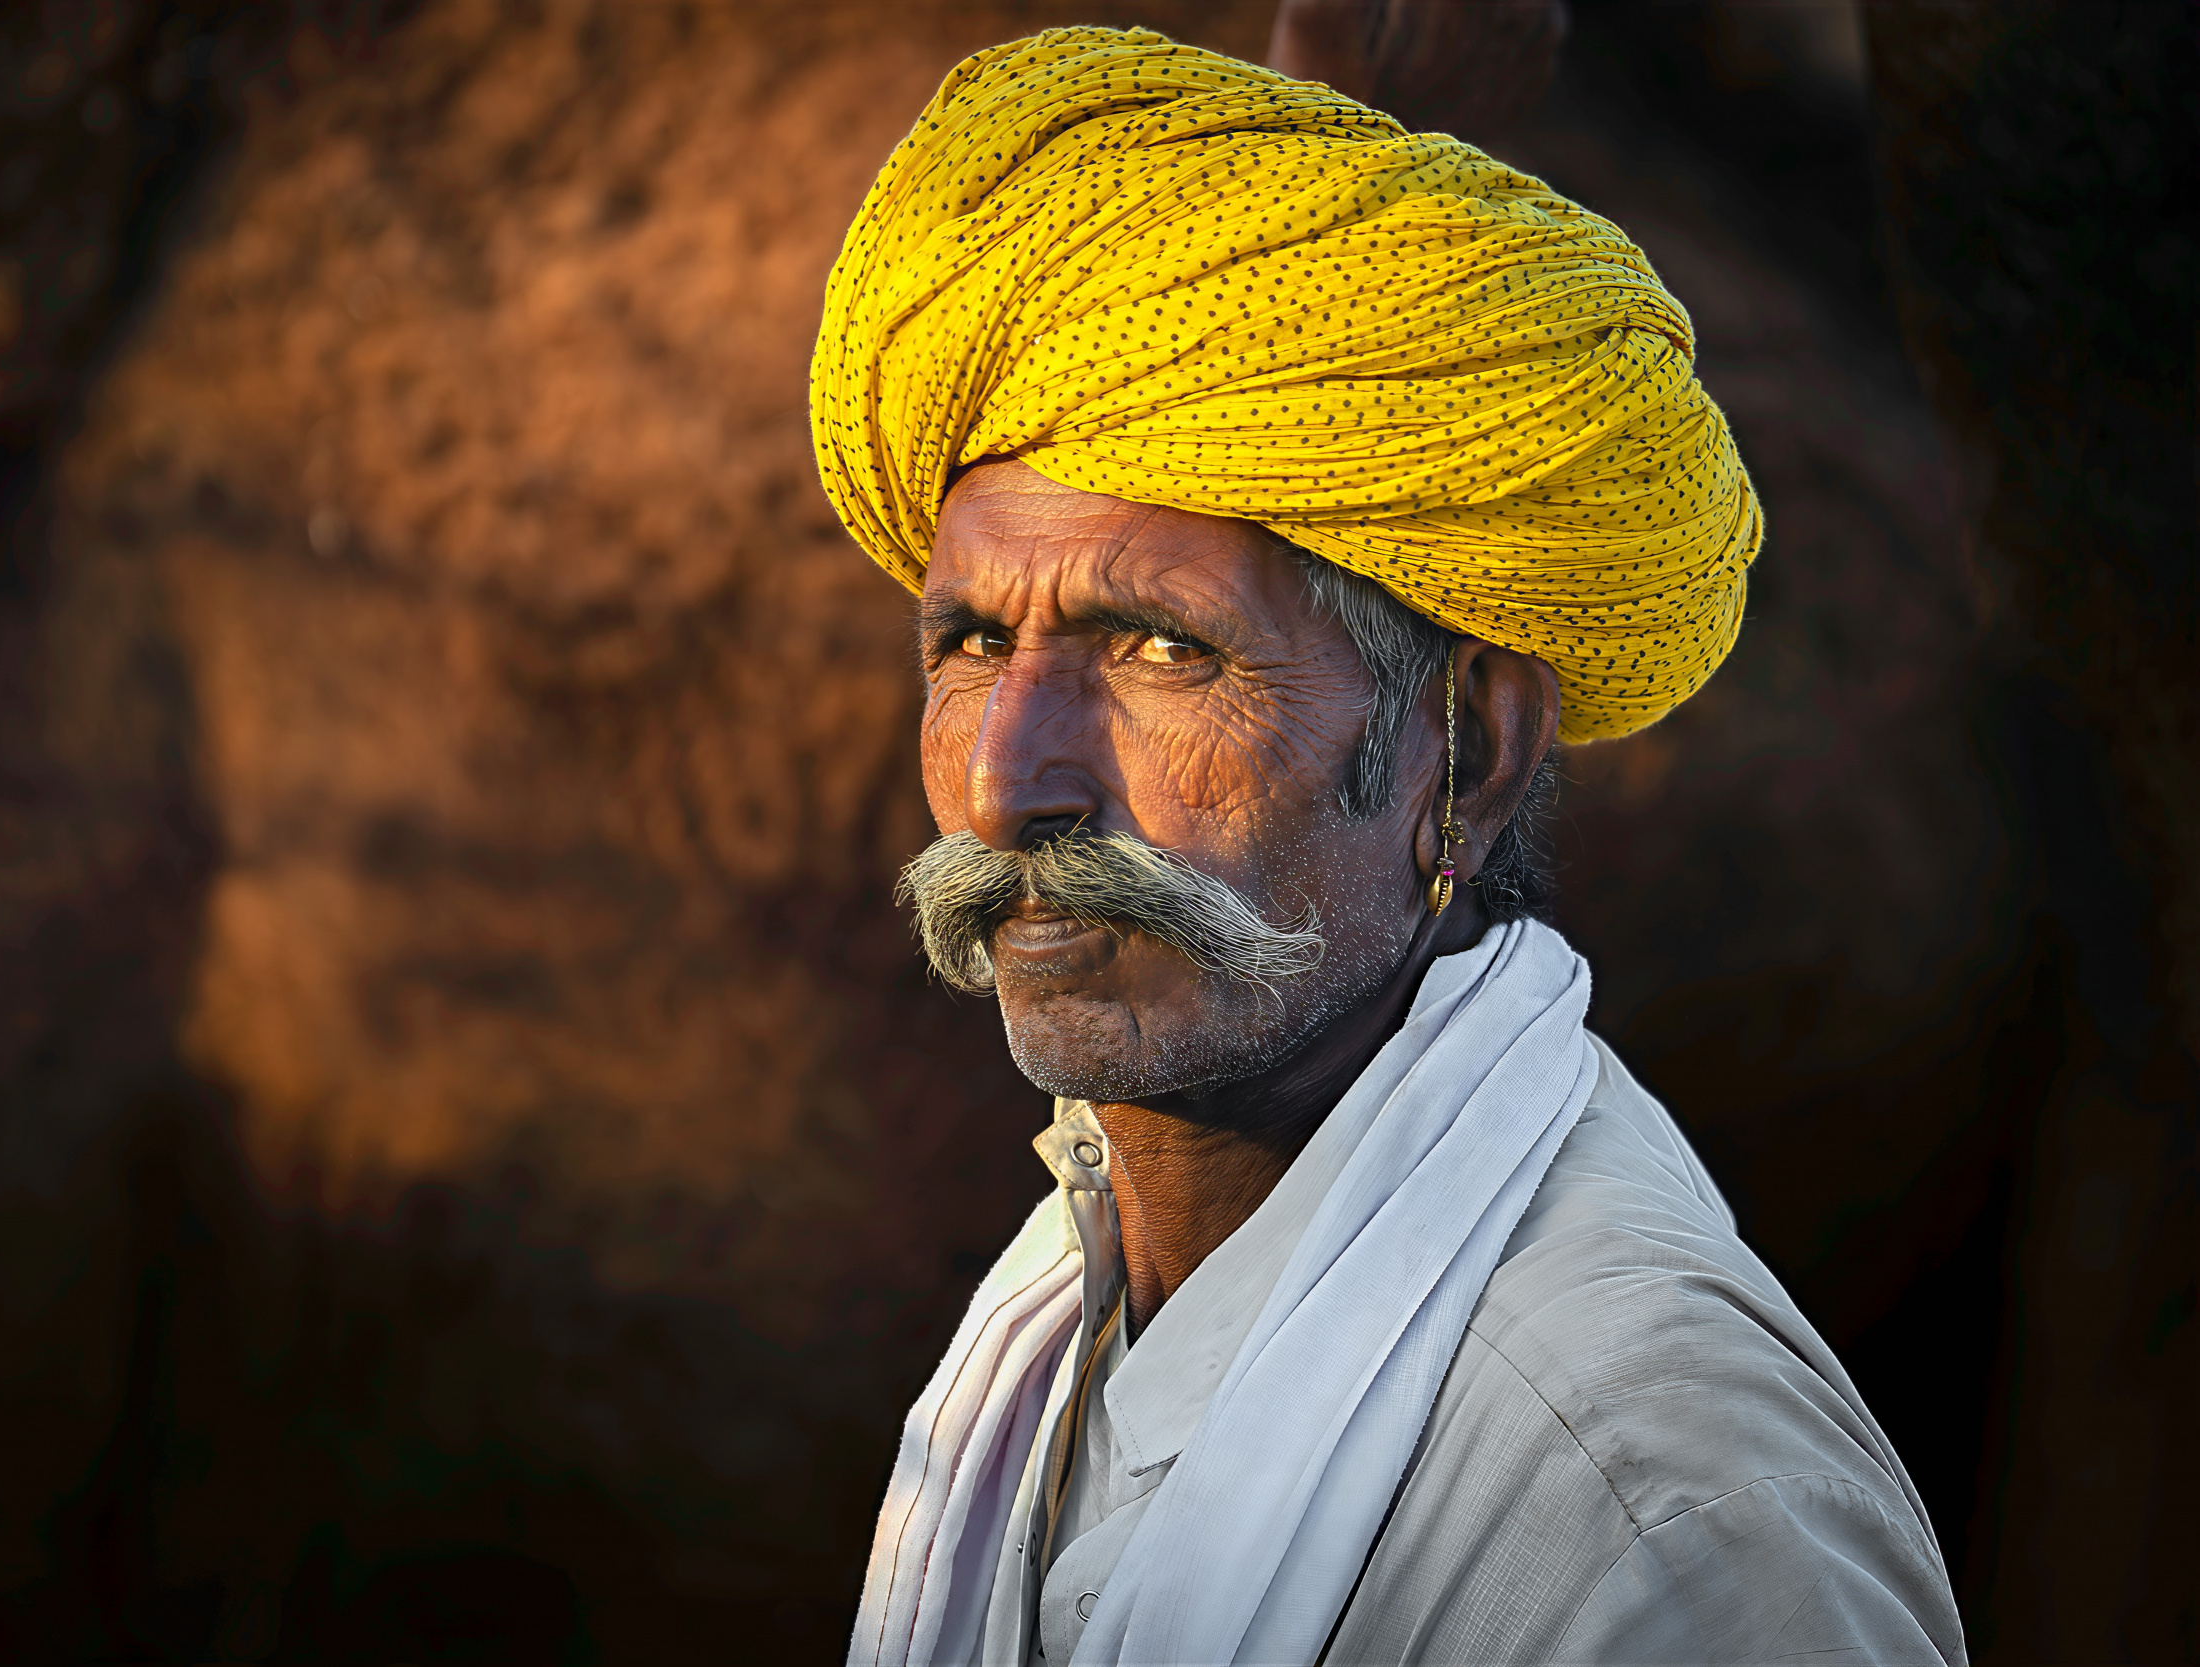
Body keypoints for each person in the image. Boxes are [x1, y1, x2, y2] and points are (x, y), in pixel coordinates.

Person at [809, 26, 1966, 1667]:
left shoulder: (1664, 1512)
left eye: (1164, 651)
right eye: (976, 645)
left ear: (1470, 748)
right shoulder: (1067, 1327)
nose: (1009, 788)